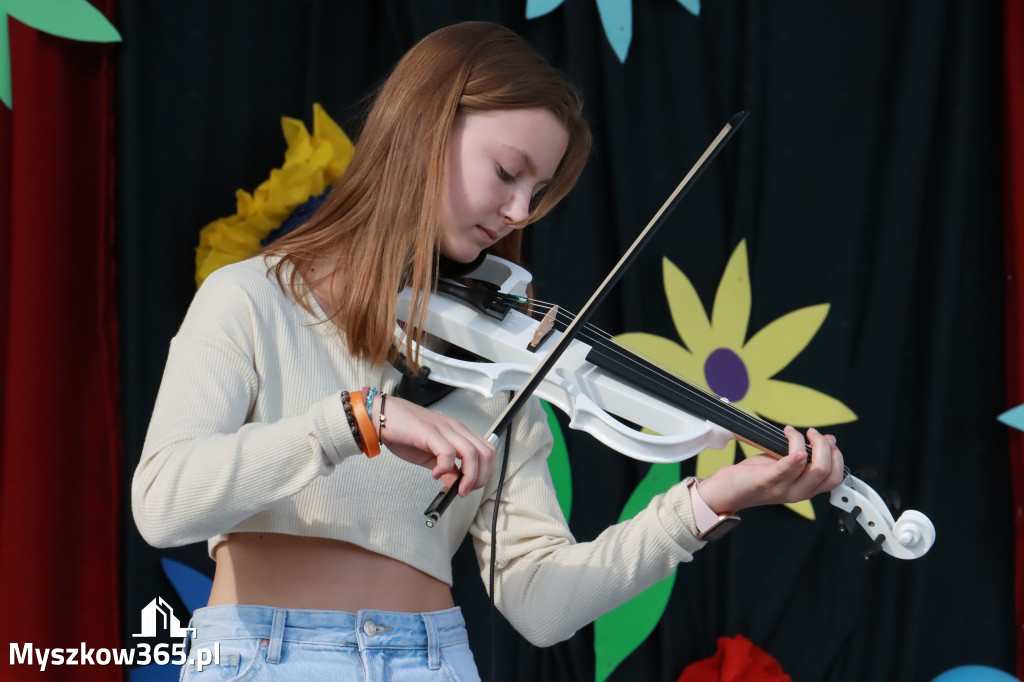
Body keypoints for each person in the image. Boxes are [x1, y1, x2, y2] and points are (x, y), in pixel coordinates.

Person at [132, 20, 845, 681]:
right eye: (508, 173)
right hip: (263, 657)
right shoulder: (250, 297)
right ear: (423, 128)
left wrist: (701, 505)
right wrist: (354, 421)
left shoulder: (498, 365)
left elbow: (539, 603)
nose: (518, 213)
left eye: (538, 192)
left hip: (431, 660)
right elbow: (163, 504)